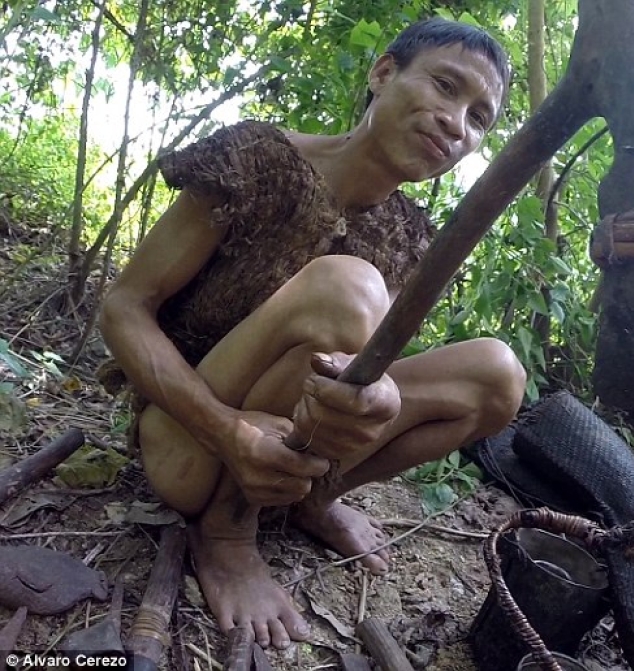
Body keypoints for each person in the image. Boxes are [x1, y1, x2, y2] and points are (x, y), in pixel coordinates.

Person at [99, 17, 526, 649]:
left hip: (286, 446)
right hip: (188, 440)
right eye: (444, 85)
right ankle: (226, 533)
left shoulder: (410, 234)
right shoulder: (258, 160)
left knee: (498, 374)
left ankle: (307, 501)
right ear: (383, 74)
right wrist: (226, 428)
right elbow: (123, 308)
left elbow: (352, 379)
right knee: (346, 287)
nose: (455, 122)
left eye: (479, 117)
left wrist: (374, 400)